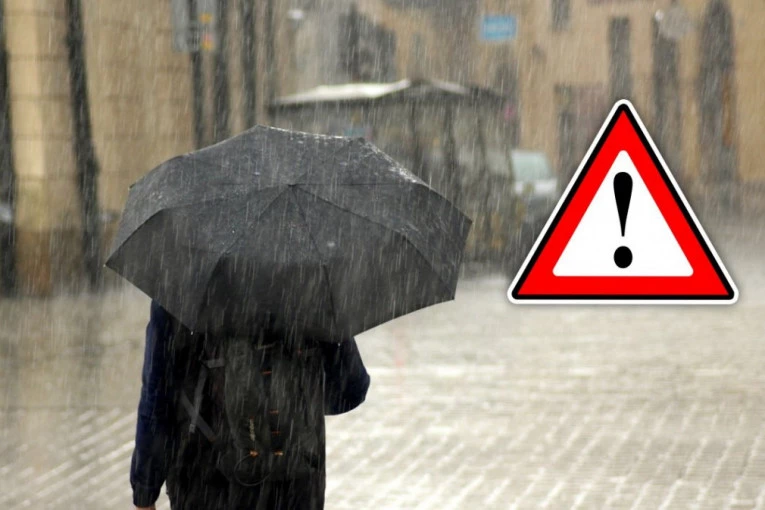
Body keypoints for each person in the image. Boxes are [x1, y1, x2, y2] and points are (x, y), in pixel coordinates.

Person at [131, 300, 371, 509]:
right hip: (295, 479)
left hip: (205, 481)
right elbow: (351, 389)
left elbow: (157, 396)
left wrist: (145, 490)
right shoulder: (311, 280)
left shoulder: (184, 281)